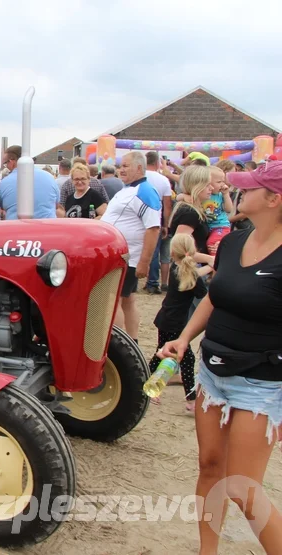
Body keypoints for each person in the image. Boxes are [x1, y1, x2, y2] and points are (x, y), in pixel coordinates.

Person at [160, 161, 282, 554]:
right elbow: (214, 297)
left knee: (244, 490)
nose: (235, 190)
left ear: (274, 199)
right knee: (210, 468)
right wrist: (183, 339)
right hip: (213, 375)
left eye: (248, 187)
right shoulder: (231, 242)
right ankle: (206, 551)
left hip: (262, 383)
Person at [101, 151, 161, 343]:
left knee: (114, 301)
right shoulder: (126, 189)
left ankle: (116, 344)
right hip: (122, 255)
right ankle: (131, 341)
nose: (121, 169)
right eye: (121, 166)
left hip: (126, 257)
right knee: (127, 300)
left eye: (125, 166)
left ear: (139, 168)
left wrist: (144, 262)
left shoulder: (144, 191)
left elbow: (153, 228)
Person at [148, 233, 211, 410]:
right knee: (182, 357)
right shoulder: (188, 273)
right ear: (192, 251)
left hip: (166, 318)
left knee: (163, 353)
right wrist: (212, 267)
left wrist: (208, 267)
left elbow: (194, 275)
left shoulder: (178, 269)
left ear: (173, 252)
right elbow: (202, 293)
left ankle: (149, 383)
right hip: (174, 322)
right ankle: (190, 399)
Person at [0, 145, 60, 220]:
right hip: (47, 228)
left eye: (5, 164)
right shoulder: (49, 177)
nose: (6, 166)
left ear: (11, 162)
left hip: (17, 229)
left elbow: (2, 207)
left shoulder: (5, 182)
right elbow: (56, 205)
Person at [144, 152, 175, 295]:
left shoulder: (138, 177)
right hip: (155, 218)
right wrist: (166, 224)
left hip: (138, 219)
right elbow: (167, 205)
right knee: (154, 251)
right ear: (157, 163)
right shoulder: (163, 180)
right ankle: (153, 282)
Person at [203, 166, 234, 255]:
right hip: (208, 227)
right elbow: (180, 196)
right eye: (219, 182)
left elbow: (229, 209)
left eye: (223, 181)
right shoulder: (202, 194)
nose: (222, 184)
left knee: (212, 243)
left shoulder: (220, 195)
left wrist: (226, 194)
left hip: (220, 226)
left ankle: (214, 263)